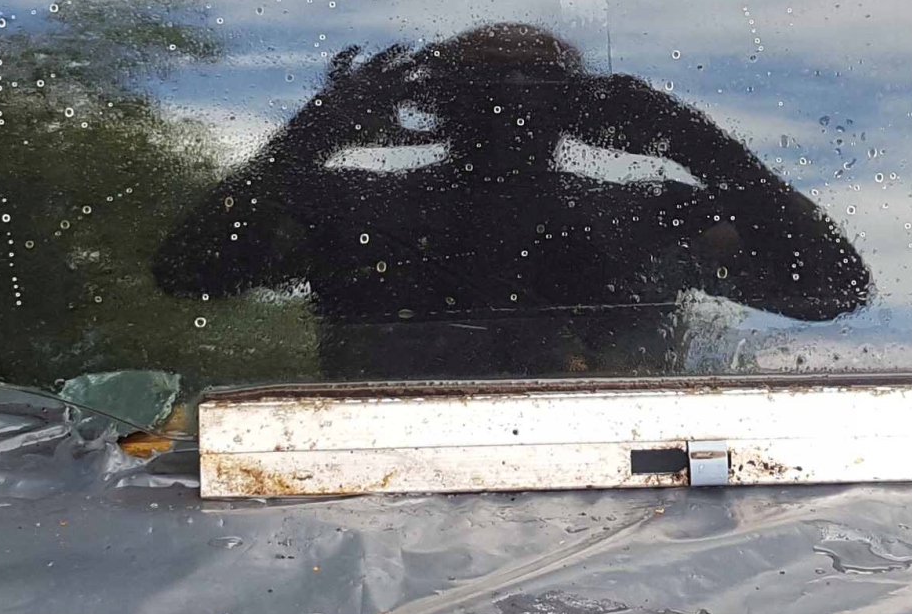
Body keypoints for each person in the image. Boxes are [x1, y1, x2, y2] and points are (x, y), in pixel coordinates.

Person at [153, 23, 870, 378]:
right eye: (482, 89)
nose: (511, 104)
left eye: (539, 87)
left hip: (629, 496)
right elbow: (188, 273)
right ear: (437, 104)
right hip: (367, 488)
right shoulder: (348, 206)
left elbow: (831, 289)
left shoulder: (650, 216)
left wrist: (696, 141)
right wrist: (306, 140)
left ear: (580, 108)